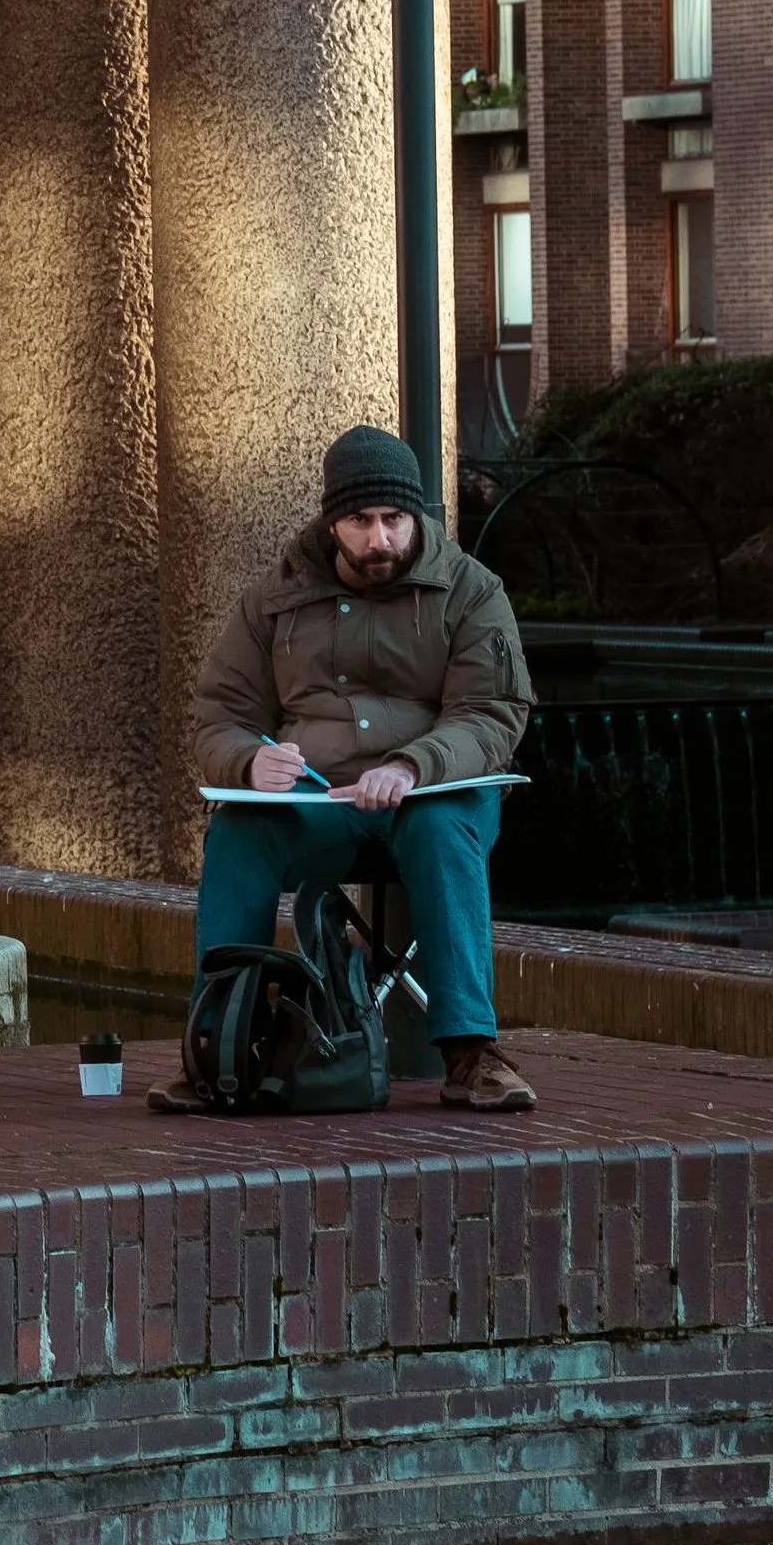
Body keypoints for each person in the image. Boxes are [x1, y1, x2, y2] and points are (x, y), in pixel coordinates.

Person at [189, 423, 537, 1112]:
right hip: (320, 806)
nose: (379, 539)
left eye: (393, 520)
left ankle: (471, 1054)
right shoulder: (274, 599)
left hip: (435, 796)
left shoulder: (472, 590)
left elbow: (494, 712)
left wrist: (412, 766)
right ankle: (222, 1050)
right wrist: (247, 760)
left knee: (441, 831)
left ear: (416, 517)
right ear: (331, 521)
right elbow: (217, 715)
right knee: (236, 833)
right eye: (360, 521)